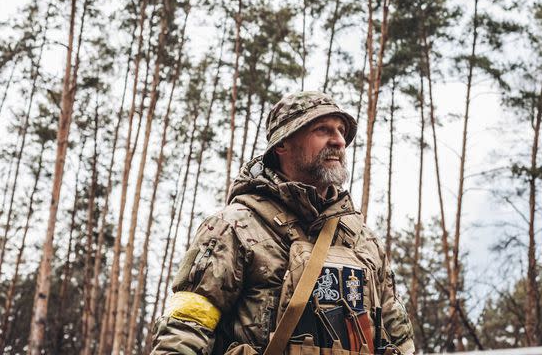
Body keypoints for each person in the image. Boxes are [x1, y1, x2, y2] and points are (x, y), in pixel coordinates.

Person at [151, 91, 414, 355]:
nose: (339, 141)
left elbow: (400, 339)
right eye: (323, 130)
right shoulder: (234, 227)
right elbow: (184, 331)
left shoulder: (364, 242)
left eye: (341, 131)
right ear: (282, 144)